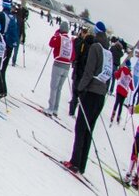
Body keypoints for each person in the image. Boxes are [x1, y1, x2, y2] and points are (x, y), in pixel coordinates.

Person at [65, 22, 112, 174]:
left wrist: (80, 88)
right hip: (101, 95)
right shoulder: (108, 51)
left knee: (80, 127)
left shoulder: (95, 47)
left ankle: (74, 162)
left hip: (91, 92)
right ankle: (82, 164)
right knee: (89, 129)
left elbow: (89, 71)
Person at [45, 21, 74, 115]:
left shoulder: (59, 38)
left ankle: (50, 108)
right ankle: (55, 109)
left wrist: (55, 35)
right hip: (67, 67)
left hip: (58, 64)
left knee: (53, 87)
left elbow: (51, 44)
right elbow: (73, 56)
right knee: (59, 88)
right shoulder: (70, 41)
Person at [112, 58, 133, 124]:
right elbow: (131, 86)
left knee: (116, 102)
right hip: (124, 92)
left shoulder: (122, 69)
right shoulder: (130, 75)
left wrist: (115, 73)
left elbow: (117, 75)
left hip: (119, 88)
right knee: (121, 105)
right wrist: (132, 89)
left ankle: (113, 114)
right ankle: (118, 117)